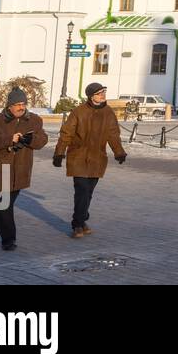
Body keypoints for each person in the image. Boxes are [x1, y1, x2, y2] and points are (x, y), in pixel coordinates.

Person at [53, 82, 126, 239]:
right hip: (78, 157)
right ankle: (77, 224)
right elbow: (66, 133)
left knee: (89, 193)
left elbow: (113, 134)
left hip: (97, 158)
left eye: (104, 92)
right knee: (82, 191)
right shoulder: (79, 112)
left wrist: (119, 152)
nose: (103, 95)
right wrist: (59, 153)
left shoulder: (108, 113)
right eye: (99, 93)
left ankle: (82, 220)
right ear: (91, 96)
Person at [0, 86, 48, 250]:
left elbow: (42, 139)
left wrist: (30, 140)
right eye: (17, 104)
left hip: (21, 169)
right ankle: (9, 240)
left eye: (23, 103)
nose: (21, 107)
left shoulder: (34, 120)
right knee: (5, 203)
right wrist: (9, 139)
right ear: (9, 105)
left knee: (5, 203)